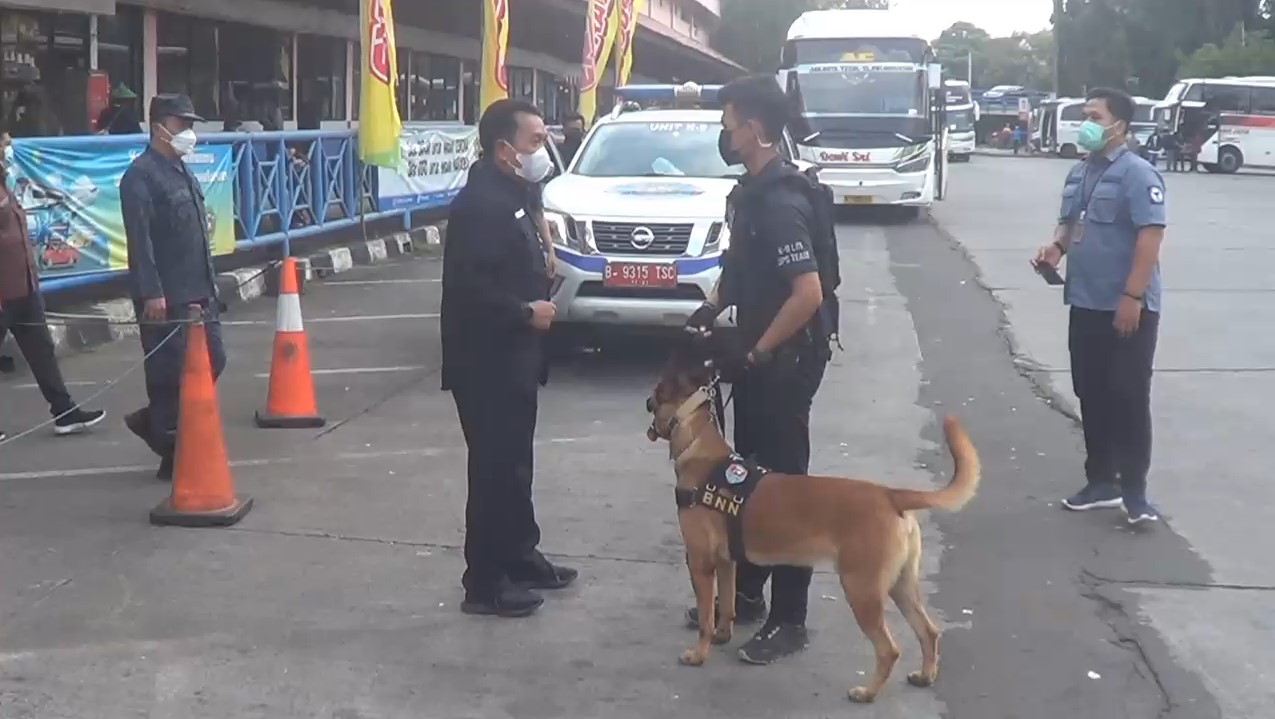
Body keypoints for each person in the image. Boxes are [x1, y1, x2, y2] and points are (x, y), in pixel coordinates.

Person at [684, 75, 833, 664]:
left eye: (729, 121)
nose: (724, 130)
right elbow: (740, 267)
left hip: (785, 362)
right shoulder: (751, 192)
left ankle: (790, 620)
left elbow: (808, 293)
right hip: (760, 358)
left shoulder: (782, 202)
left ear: (756, 129)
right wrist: (713, 306)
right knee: (746, 477)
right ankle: (745, 593)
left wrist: (758, 350)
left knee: (785, 492)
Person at [440, 98, 578, 618]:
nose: (544, 151)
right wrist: (524, 312)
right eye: (536, 141)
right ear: (505, 149)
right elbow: (468, 291)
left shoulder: (516, 193)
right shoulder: (481, 205)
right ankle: (485, 581)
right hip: (487, 361)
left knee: (516, 467)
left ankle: (521, 555)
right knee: (494, 471)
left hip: (517, 356)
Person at [1033, 87, 1166, 525]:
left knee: (1128, 395)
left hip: (1126, 305)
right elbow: (1071, 222)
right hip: (1085, 302)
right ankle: (1101, 481)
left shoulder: (1138, 174)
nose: (1085, 122)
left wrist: (1132, 297)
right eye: (1084, 113)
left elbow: (1150, 238)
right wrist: (1055, 248)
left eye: (1094, 115)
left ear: (1119, 126)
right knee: (1091, 392)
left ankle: (1135, 493)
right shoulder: (1080, 172)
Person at [118, 95, 225, 480]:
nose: (189, 133)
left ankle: (155, 425)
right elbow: (139, 242)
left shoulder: (180, 170)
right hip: (167, 296)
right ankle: (172, 450)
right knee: (168, 375)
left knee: (214, 360)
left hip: (199, 290)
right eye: (183, 125)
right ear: (160, 126)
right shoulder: (140, 177)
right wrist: (151, 292)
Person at [0, 140, 107, 440]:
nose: (6, 148)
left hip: (24, 285)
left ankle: (65, 411)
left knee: (42, 351)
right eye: (1, 144)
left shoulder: (6, 183)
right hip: (2, 292)